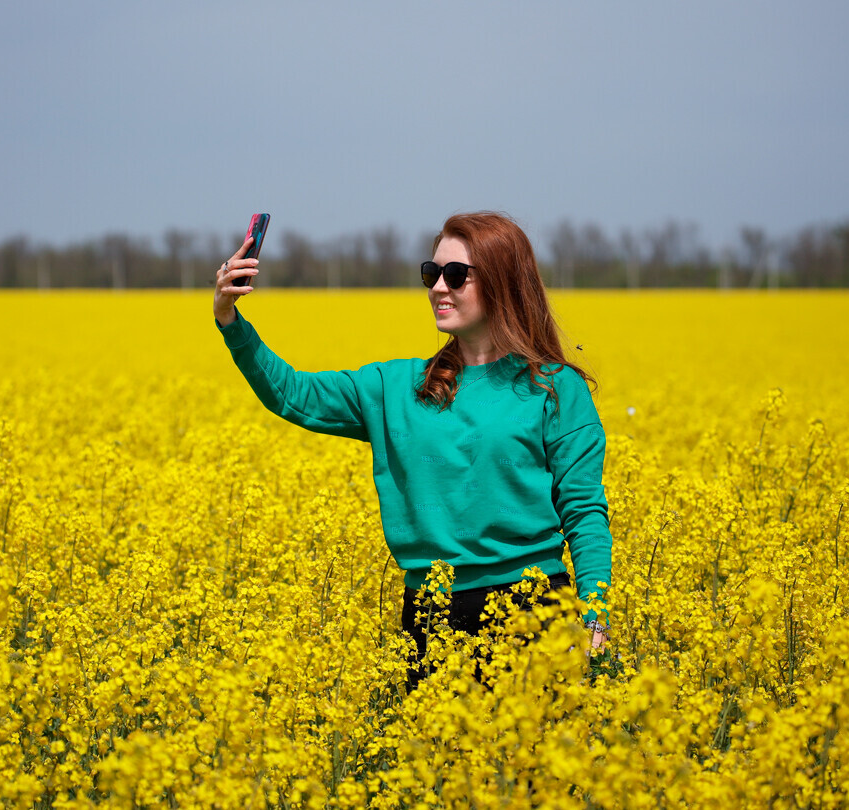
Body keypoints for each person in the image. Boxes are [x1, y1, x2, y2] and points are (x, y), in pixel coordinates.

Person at [213, 212, 612, 692]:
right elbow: (292, 394)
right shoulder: (398, 388)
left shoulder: (553, 388)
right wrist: (229, 319)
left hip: (534, 610)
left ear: (504, 282)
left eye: (456, 274)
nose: (438, 287)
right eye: (431, 273)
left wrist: (593, 615)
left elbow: (584, 509)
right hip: (431, 616)